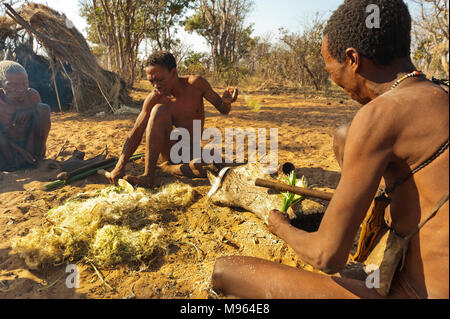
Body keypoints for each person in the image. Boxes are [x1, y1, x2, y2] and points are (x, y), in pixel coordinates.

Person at [211, 0, 449, 299]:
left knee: (226, 271)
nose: (334, 80)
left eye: (329, 67)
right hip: (411, 271)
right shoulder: (438, 94)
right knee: (344, 136)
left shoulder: (381, 115)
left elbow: (327, 257)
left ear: (352, 59)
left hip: (415, 292)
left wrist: (280, 226)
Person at [108, 52, 238, 188]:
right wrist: (119, 166)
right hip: (171, 151)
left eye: (160, 80)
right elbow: (135, 133)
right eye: (151, 81)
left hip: (193, 150)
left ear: (173, 72)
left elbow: (223, 109)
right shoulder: (155, 98)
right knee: (159, 110)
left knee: (215, 164)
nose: (156, 85)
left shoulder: (195, 84)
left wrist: (227, 102)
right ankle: (149, 175)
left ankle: (167, 168)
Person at [0, 60, 51, 172]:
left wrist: (29, 112)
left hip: (32, 150)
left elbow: (40, 123)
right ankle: (11, 165)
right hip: (6, 153)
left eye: (24, 83)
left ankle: (37, 157)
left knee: (43, 109)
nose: (20, 89)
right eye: (12, 85)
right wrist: (19, 151)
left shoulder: (32, 95)